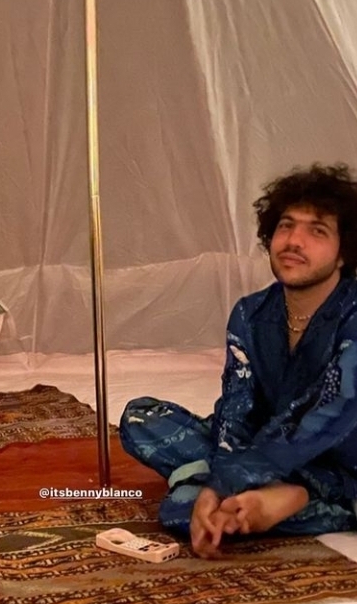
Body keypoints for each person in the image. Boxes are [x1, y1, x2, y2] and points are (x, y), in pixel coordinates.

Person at [119, 163, 357, 558]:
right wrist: (227, 477)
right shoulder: (251, 313)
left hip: (345, 459)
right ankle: (268, 498)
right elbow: (236, 409)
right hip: (266, 451)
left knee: (184, 507)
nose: (294, 241)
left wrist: (220, 485)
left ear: (344, 252)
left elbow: (329, 412)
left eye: (317, 231)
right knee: (141, 419)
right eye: (285, 226)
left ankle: (301, 495)